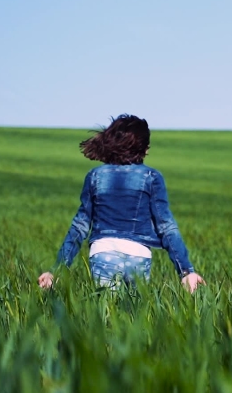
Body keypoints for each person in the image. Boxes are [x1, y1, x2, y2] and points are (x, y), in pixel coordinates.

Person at [38, 114, 206, 293]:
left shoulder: (95, 176)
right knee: (135, 316)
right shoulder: (151, 177)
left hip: (103, 253)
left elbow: (80, 226)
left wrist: (56, 270)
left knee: (106, 315)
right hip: (138, 255)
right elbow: (166, 226)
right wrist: (186, 271)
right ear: (142, 148)